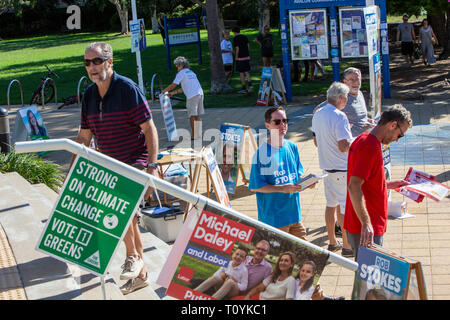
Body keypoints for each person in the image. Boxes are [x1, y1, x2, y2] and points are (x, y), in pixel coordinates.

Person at [75, 42, 159, 294]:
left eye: (97, 61)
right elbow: (84, 137)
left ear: (110, 63)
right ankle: (141, 274)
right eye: (87, 63)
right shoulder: (89, 95)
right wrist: (72, 172)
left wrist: (152, 167)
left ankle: (133, 256)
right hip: (109, 162)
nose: (92, 67)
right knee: (129, 215)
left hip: (136, 159)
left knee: (119, 209)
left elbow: (149, 129)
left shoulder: (127, 89)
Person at [344, 104, 413, 260]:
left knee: (368, 276)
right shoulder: (369, 145)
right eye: (399, 135)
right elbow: (353, 186)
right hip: (365, 227)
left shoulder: (366, 140)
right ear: (393, 125)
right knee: (368, 277)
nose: (396, 140)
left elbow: (364, 181)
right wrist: (366, 223)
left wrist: (388, 184)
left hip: (367, 224)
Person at [249, 107, 317, 240]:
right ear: (267, 125)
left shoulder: (292, 147)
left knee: (305, 256)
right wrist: (283, 189)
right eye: (277, 122)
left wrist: (307, 183)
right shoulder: (262, 154)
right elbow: (254, 186)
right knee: (279, 259)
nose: (282, 125)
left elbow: (296, 178)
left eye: (285, 121)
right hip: (274, 220)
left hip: (294, 216)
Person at [312, 82, 353, 257]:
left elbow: (316, 141)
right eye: (347, 98)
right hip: (341, 168)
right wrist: (355, 140)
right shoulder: (340, 116)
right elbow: (344, 146)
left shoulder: (318, 114)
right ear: (341, 98)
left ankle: (332, 242)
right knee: (344, 207)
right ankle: (346, 245)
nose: (347, 101)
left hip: (327, 168)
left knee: (330, 205)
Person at [162, 56, 204, 140]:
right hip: (200, 94)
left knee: (192, 115)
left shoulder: (181, 73)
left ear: (181, 65)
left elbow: (173, 85)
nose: (176, 67)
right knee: (196, 115)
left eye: (177, 65)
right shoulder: (191, 72)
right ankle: (198, 134)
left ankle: (194, 135)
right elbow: (185, 87)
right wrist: (173, 93)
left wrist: (164, 91)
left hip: (192, 96)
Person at [232, 26, 253, 94]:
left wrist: (236, 57)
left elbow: (237, 48)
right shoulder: (244, 36)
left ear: (234, 32)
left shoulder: (235, 38)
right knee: (246, 71)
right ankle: (250, 85)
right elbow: (248, 46)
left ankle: (243, 87)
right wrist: (247, 53)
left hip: (240, 58)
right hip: (246, 56)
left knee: (241, 72)